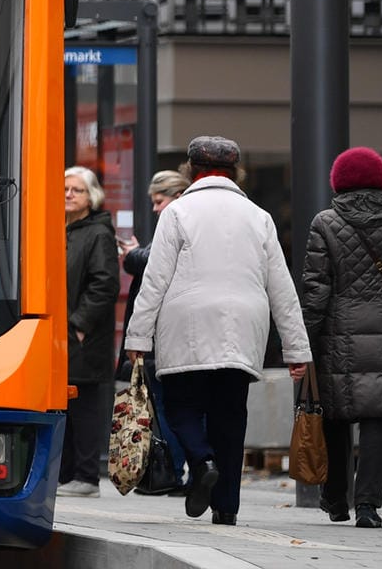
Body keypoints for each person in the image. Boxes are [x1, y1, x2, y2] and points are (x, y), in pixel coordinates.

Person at [122, 135, 310, 527]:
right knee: (230, 415)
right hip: (244, 325)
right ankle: (227, 508)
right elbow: (282, 287)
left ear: (191, 171)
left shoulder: (177, 213)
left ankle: (201, 459)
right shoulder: (259, 216)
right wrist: (296, 350)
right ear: (234, 173)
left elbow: (155, 280)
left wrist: (136, 338)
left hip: (187, 322)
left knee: (181, 406)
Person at [301, 146, 382, 529]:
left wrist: (304, 338)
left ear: (338, 182)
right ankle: (368, 507)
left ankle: (336, 499)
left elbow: (315, 290)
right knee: (377, 420)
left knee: (336, 417)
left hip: (337, 337)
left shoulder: (324, 223)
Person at [117, 169, 190, 495]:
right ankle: (178, 470)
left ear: (175, 197)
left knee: (164, 406)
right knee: (167, 405)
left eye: (159, 201)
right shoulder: (177, 221)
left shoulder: (177, 221)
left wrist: (131, 254)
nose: (156, 209)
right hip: (170, 333)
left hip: (165, 334)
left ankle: (171, 471)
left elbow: (150, 263)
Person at [57, 165, 118, 498]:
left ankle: (86, 477)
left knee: (84, 408)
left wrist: (78, 326)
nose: (68, 195)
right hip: (62, 336)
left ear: (91, 197)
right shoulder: (64, 229)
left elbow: (104, 284)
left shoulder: (97, 233)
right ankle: (67, 475)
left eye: (76, 190)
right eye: (65, 189)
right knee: (63, 406)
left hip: (83, 337)